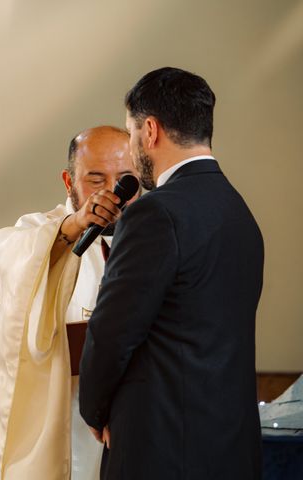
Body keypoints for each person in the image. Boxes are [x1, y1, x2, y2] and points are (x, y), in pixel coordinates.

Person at [79, 67, 264, 479]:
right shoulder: (240, 214)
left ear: (150, 130)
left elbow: (112, 332)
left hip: (161, 447)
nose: (132, 146)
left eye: (130, 133)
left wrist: (93, 410)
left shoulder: (155, 213)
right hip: (230, 447)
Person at [0, 126, 139, 479]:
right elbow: (11, 254)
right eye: (96, 180)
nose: (112, 194)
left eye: (126, 180)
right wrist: (77, 224)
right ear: (69, 181)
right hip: (51, 415)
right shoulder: (41, 232)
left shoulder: (146, 241)